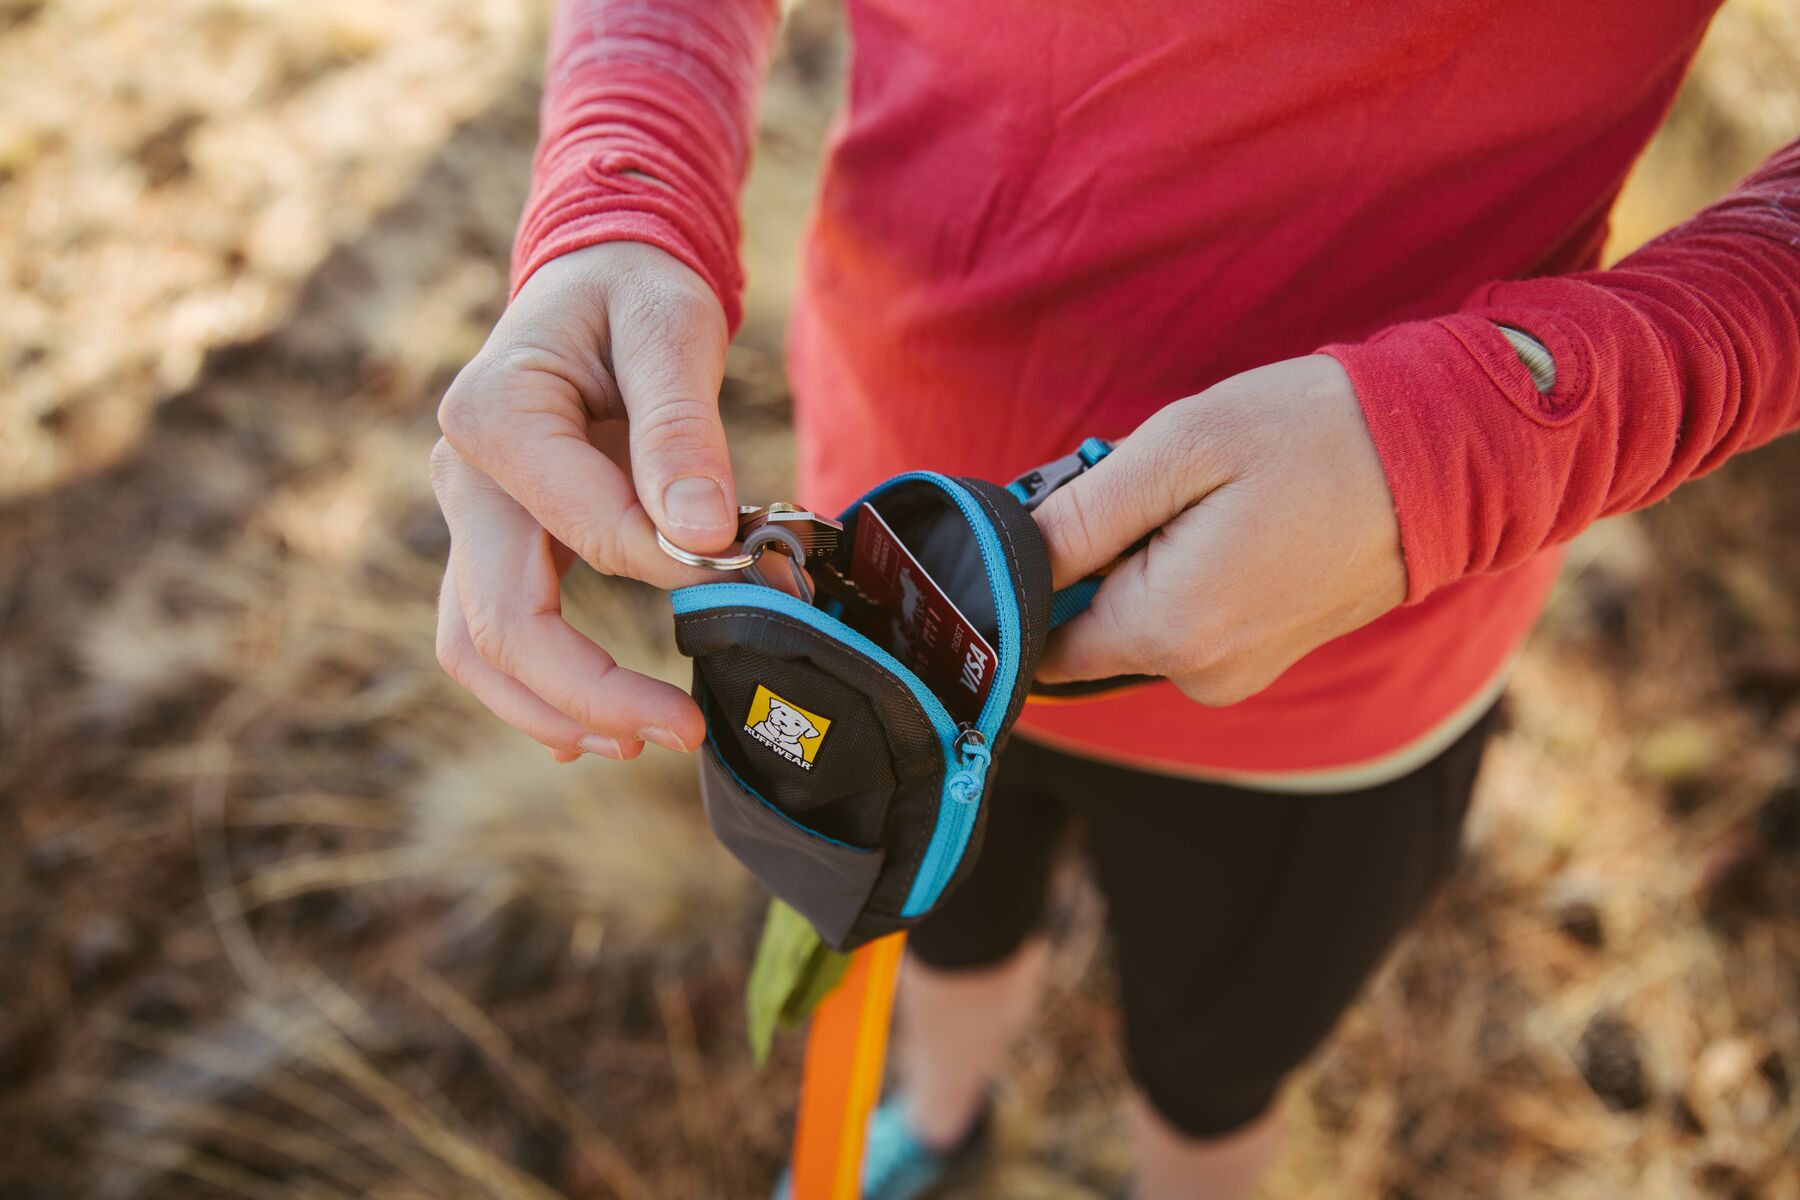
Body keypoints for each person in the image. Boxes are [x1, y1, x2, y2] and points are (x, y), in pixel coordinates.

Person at [427, 1, 1800, 1196]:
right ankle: (943, 1121)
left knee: (1217, 1061)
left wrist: (1476, 443)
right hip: (884, 588)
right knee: (934, 926)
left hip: (1340, 671)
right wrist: (626, 190)